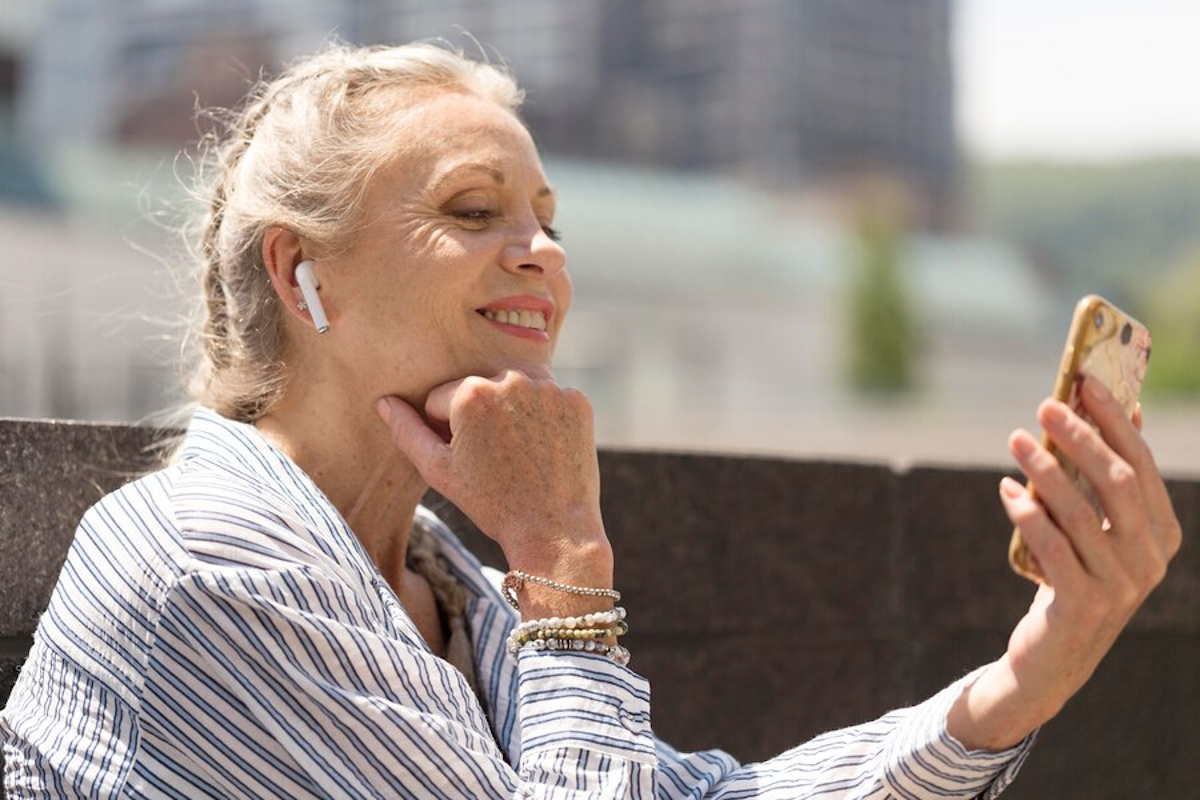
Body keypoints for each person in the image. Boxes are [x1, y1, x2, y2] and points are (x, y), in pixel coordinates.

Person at [0, 41, 1181, 798]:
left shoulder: (440, 575)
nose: (544, 255)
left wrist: (1021, 681)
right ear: (305, 276)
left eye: (550, 217)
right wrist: (564, 557)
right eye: (476, 209)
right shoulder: (205, 557)